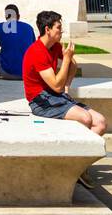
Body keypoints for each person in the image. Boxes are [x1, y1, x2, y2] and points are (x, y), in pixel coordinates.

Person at [22, 11, 106, 140]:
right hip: (40, 101)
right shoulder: (37, 51)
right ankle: (73, 152)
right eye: (58, 28)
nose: (62, 31)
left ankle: (77, 154)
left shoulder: (54, 46)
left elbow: (73, 65)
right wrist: (66, 59)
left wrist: (67, 86)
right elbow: (56, 86)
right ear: (47, 29)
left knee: (100, 123)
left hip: (55, 96)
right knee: (85, 118)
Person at [0, 4, 35, 80]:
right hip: (27, 73)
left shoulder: (0, 26)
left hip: (7, 73)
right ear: (18, 16)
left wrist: (2, 39)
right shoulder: (29, 27)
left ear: (6, 16)